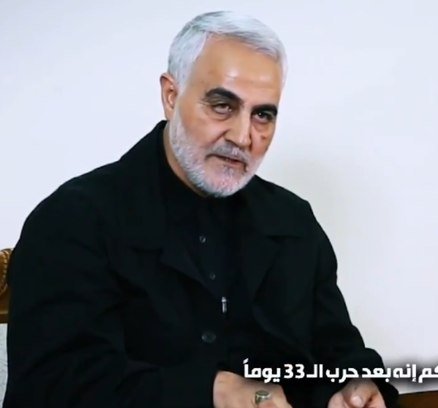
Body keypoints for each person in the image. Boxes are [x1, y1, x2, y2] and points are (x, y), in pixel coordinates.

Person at [3, 10, 398, 408]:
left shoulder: (293, 222)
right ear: (170, 96)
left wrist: (357, 386)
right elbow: (50, 385)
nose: (243, 136)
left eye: (263, 115)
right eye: (222, 105)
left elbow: (337, 352)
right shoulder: (73, 220)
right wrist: (211, 392)